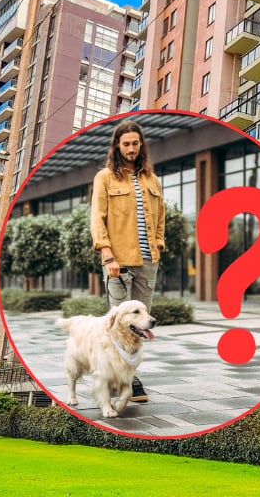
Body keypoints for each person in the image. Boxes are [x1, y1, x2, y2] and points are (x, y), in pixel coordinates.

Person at [90, 119, 165, 402]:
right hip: (118, 261)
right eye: (126, 144)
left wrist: (158, 246)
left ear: (141, 145)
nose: (131, 149)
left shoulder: (152, 180)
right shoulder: (105, 177)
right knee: (119, 324)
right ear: (117, 146)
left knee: (139, 324)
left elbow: (161, 218)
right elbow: (97, 218)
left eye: (135, 143)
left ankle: (125, 375)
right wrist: (107, 254)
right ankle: (126, 380)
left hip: (148, 261)